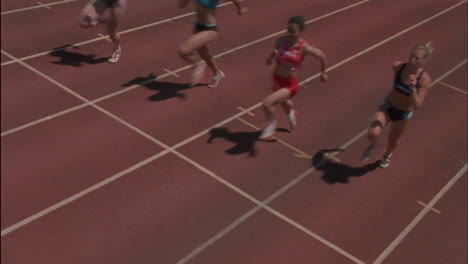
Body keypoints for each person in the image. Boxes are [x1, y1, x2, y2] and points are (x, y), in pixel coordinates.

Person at [361, 42, 433, 168]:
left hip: (403, 113)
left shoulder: (424, 79)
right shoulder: (398, 67)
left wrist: (413, 89)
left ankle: (387, 155)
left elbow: (417, 105)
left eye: (417, 58)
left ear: (424, 61)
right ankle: (372, 145)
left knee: (393, 139)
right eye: (411, 56)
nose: (412, 60)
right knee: (373, 132)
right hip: (388, 106)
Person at [259, 16, 328, 140]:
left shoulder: (304, 48)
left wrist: (323, 73)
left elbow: (322, 56)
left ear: (301, 32)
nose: (289, 34)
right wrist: (271, 56)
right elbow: (268, 62)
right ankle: (291, 112)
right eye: (288, 31)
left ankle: (271, 125)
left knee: (267, 103)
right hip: (276, 79)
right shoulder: (280, 41)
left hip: (290, 84)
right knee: (284, 103)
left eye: (293, 32)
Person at [178, 0, 247, 88]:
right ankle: (217, 73)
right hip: (198, 25)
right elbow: (181, 6)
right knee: (204, 54)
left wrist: (240, 9)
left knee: (183, 50)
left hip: (209, 29)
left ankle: (198, 64)